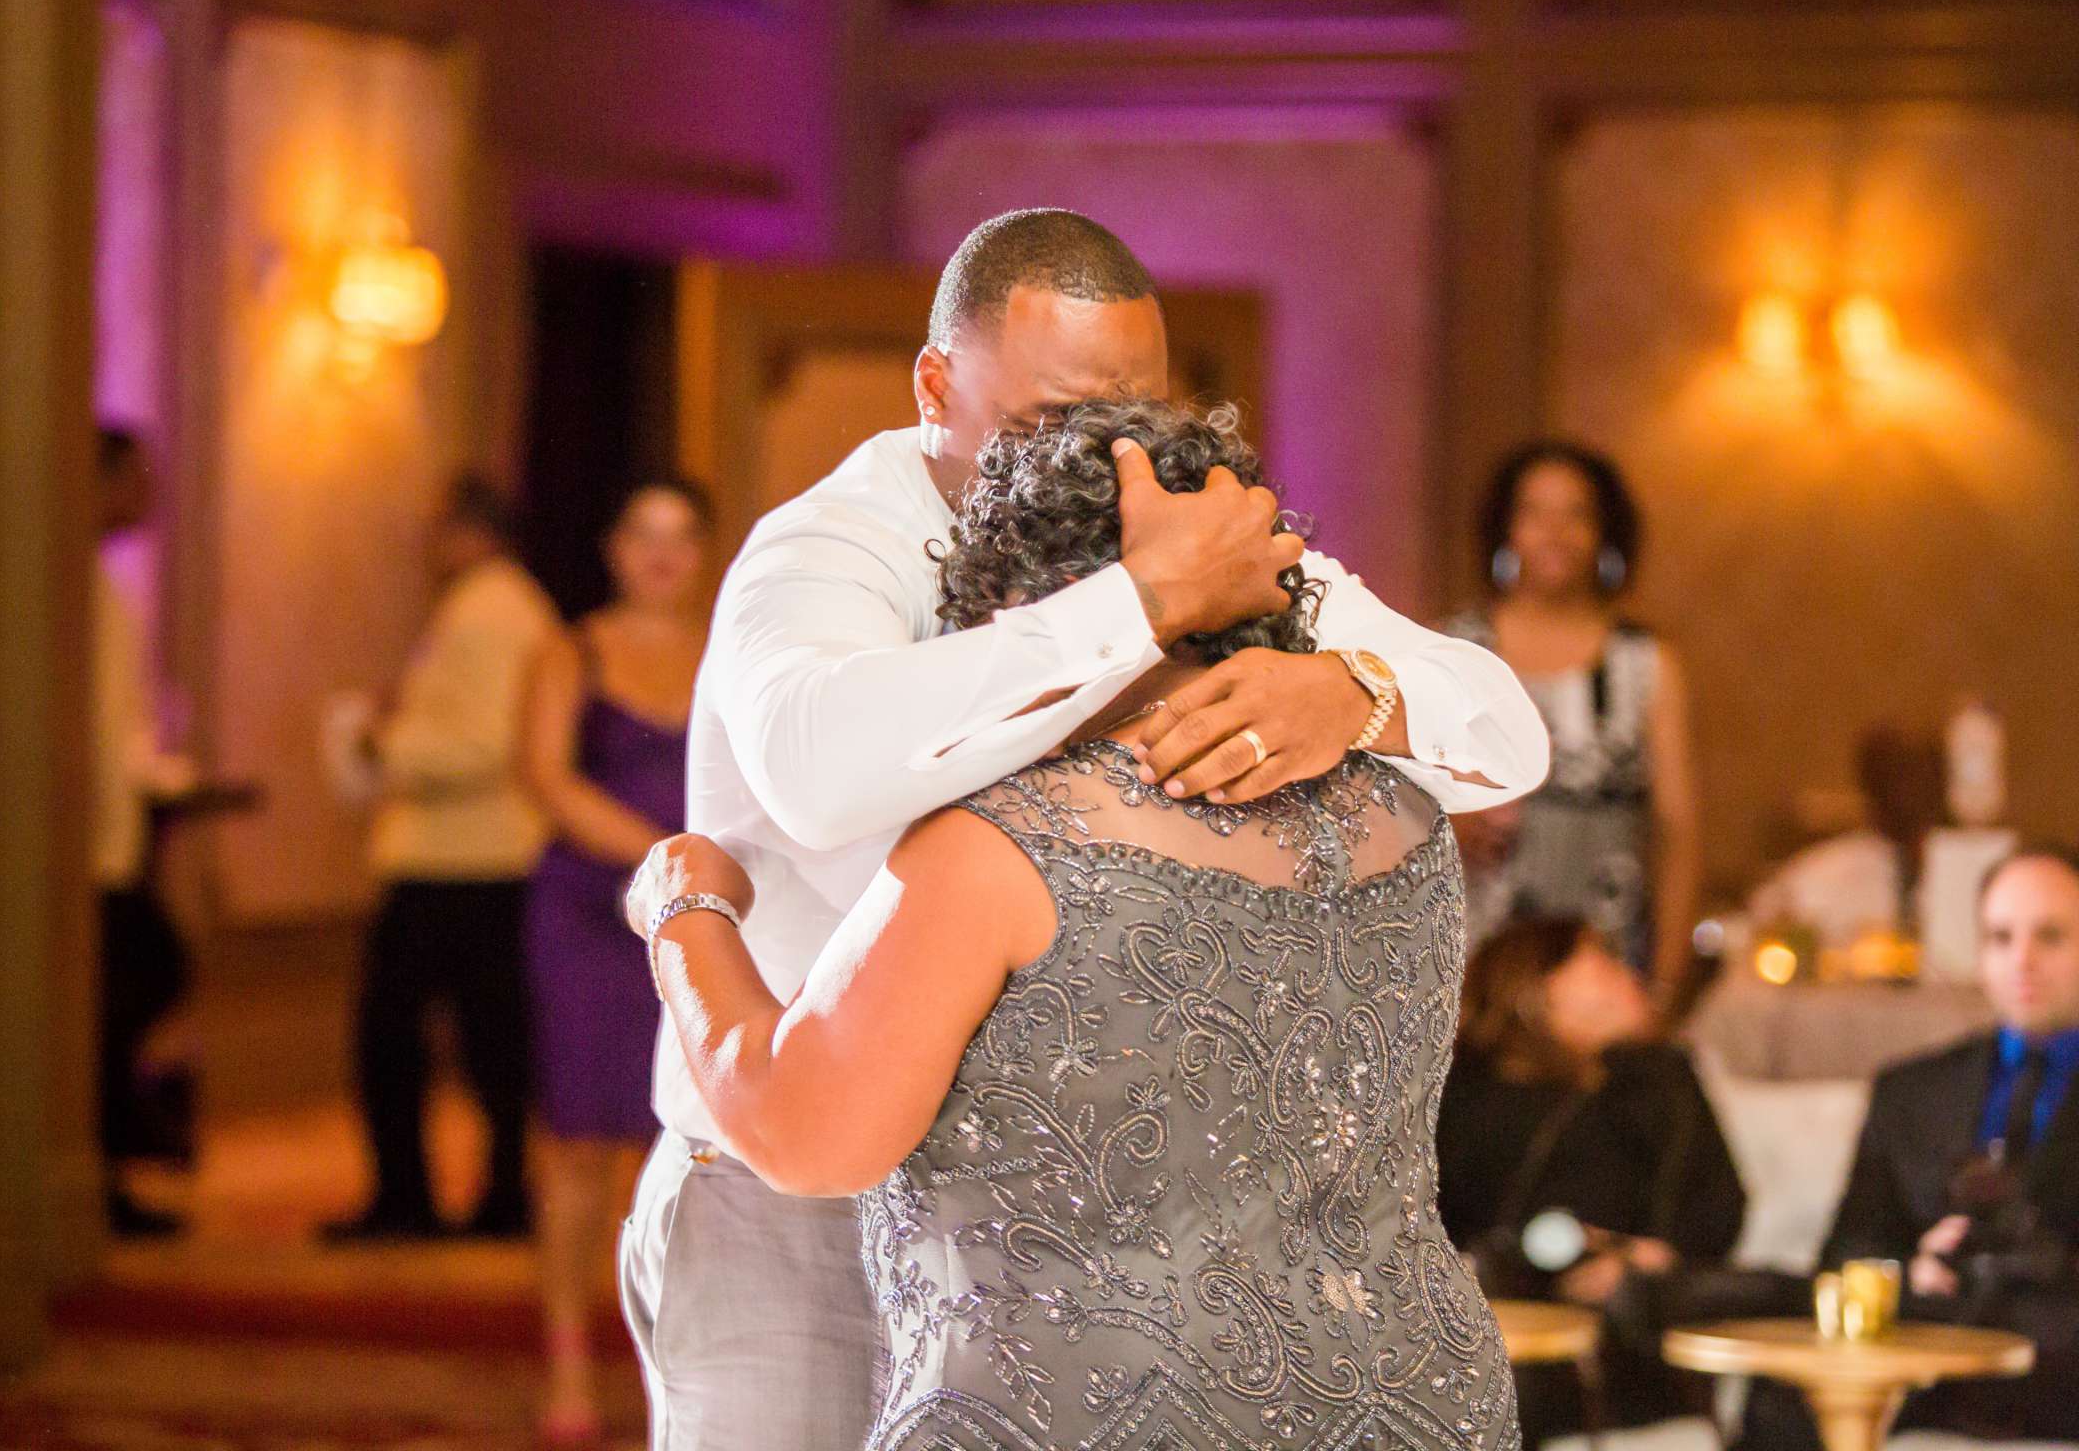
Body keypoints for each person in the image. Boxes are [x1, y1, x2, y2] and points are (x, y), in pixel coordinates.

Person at [616, 207, 1550, 1451]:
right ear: (936, 386)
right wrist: (1148, 603)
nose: (1109, 454)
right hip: (786, 1179)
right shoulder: (828, 547)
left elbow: (1505, 733)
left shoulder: (1157, 508)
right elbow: (818, 773)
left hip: (1068, 1214)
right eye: (1055, 420)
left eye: (1136, 413)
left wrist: (1354, 689)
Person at [1744, 845, 2079, 1448]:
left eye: (2051, 937)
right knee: (1777, 1391)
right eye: (2001, 938)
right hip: (1928, 1347)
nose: (2022, 960)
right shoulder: (1912, 1089)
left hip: (2058, 1352)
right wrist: (1910, 1269)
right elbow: (1849, 1248)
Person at [518, 480, 710, 1445]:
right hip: (589, 917)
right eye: (644, 534)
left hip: (703, 926)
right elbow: (545, 776)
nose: (662, 555)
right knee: (583, 1142)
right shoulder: (571, 648)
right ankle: (567, 1361)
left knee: (681, 1150)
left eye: (682, 537)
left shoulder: (733, 647)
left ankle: (668, 1364)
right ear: (612, 548)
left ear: (708, 550)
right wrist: (656, 853)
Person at [322, 474, 558, 1242]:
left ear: (467, 529)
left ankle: (411, 1199)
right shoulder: (504, 605)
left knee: (396, 1034)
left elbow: (485, 742)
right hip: (482, 857)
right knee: (491, 1035)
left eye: (435, 527)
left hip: (457, 860)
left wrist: (378, 742)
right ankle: (496, 1196)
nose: (426, 545)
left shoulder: (487, 610)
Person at [1437, 915, 1745, 1446]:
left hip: (1613, 1348)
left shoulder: (1653, 1080)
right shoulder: (1456, 1092)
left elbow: (1711, 1217)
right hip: (1482, 1336)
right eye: (1599, 959)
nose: (1626, 973)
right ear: (1539, 988)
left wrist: (1638, 1258)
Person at [1445, 441, 1701, 1006]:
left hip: (1607, 952)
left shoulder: (1645, 661)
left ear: (1604, 532)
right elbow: (1400, 804)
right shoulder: (1456, 649)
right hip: (1475, 954)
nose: (1554, 532)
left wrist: (1665, 980)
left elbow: (1676, 830)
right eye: (1534, 512)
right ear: (1505, 529)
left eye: (1575, 514)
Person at [93, 427, 199, 1237]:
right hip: (90, 842)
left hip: (114, 831)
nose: (149, 495)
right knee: (130, 983)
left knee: (139, 980)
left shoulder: (103, 587)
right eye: (136, 478)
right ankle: (108, 1158)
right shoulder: (76, 589)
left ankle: (118, 1154)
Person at [1749, 725, 1947, 947]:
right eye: (1892, 779)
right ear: (1870, 790)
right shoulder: (1830, 870)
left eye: (1919, 778)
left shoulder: (1960, 867)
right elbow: (1768, 911)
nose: (1906, 795)